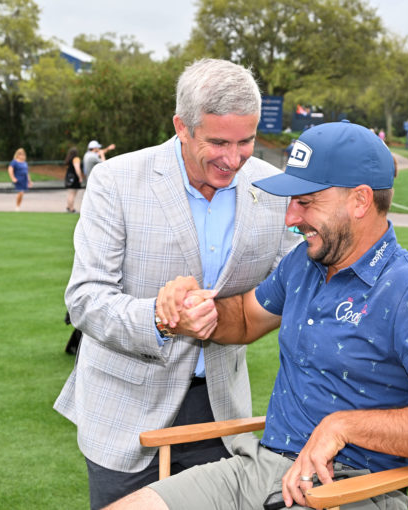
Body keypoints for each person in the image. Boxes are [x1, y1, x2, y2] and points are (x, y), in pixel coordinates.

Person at [113, 121, 408, 510]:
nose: (290, 218)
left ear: (360, 201)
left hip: (352, 487)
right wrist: (191, 309)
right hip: (264, 471)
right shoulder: (304, 263)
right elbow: (245, 319)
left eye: (306, 202)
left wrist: (343, 426)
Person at [53, 58, 300, 510]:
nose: (234, 158)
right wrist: (159, 317)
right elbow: (85, 299)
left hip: (222, 411)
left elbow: (298, 283)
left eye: (246, 141)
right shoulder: (116, 180)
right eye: (218, 142)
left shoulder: (273, 187)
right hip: (124, 413)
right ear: (181, 127)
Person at [64, 147, 84, 213]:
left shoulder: (68, 159)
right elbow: (77, 169)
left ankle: (68, 207)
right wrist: (80, 177)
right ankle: (72, 209)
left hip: (68, 177)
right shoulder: (76, 159)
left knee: (70, 193)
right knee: (73, 193)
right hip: (74, 178)